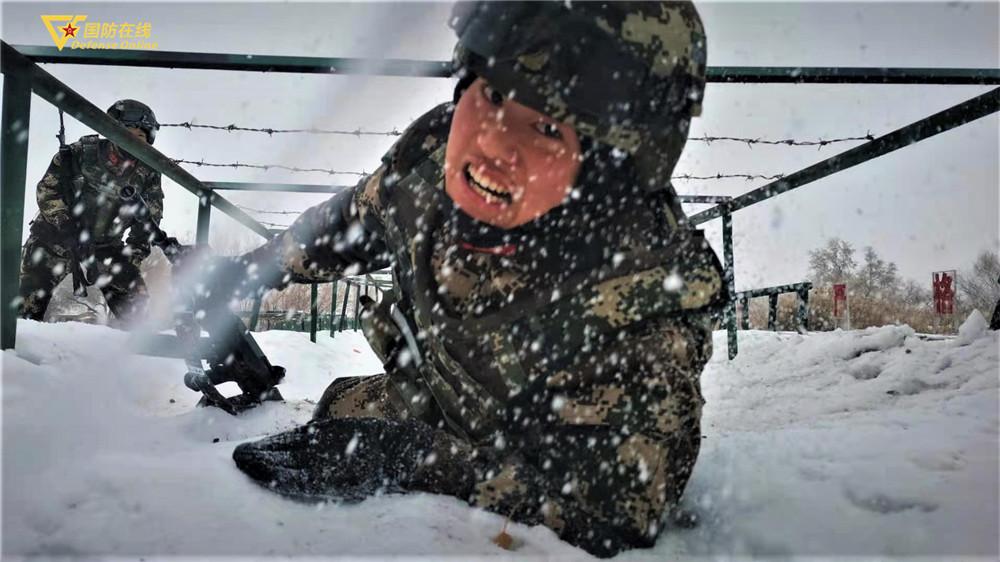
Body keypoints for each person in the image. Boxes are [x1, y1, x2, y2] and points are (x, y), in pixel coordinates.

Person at [228, 2, 725, 557]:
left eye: (544, 127)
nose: (492, 146)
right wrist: (249, 271)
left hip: (535, 458)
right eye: (490, 97)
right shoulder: (429, 159)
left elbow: (613, 513)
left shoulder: (641, 298)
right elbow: (347, 224)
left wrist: (415, 461)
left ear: (607, 168)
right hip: (434, 397)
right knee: (335, 411)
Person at [18, 99, 163, 325]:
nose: (134, 142)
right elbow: (47, 191)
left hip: (107, 247)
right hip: (55, 239)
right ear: (112, 132)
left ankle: (133, 358)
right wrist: (66, 226)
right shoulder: (78, 153)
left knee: (139, 318)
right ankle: (15, 355)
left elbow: (148, 220)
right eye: (127, 133)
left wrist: (131, 260)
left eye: (141, 137)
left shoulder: (148, 172)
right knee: (23, 312)